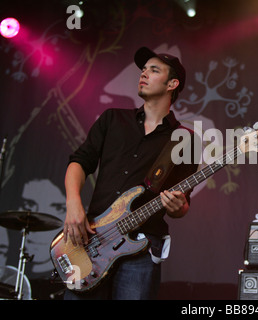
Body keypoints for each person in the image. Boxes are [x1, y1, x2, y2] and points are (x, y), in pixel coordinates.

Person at [62, 47, 198, 300]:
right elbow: (79, 162)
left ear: (173, 83)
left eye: (153, 70)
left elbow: (182, 205)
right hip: (93, 239)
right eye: (143, 69)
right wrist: (73, 204)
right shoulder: (113, 119)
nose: (143, 74)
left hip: (142, 249)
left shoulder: (185, 140)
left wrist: (177, 206)